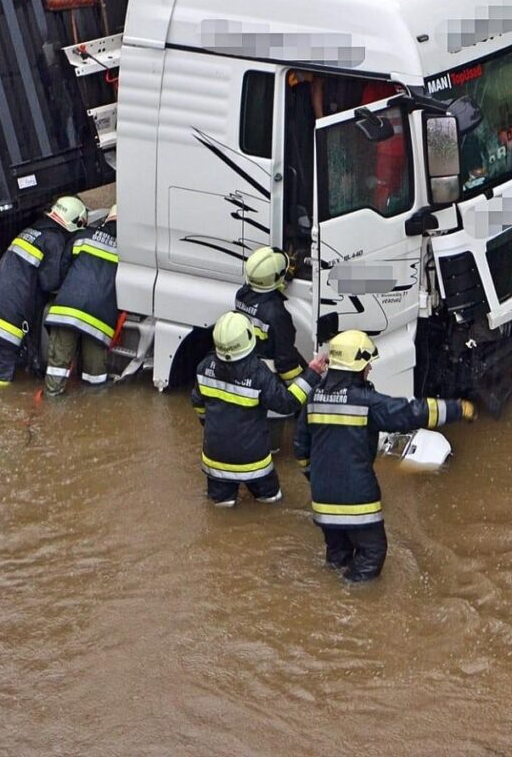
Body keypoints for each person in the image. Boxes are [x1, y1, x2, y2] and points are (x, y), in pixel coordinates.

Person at [293, 330, 475, 582]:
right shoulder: (365, 402)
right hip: (357, 498)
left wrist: (314, 476)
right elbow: (409, 413)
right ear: (356, 366)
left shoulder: (313, 398)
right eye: (366, 364)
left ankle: (332, 593)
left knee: (338, 554)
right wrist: (455, 409)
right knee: (372, 552)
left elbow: (300, 446)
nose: (369, 369)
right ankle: (354, 601)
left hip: (322, 498)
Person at [192, 312, 326, 507]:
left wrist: (210, 426)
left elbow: (198, 405)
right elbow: (286, 403)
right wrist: (312, 374)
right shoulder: (258, 373)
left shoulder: (204, 367)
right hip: (254, 462)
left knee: (221, 510)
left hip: (215, 461)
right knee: (271, 504)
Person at [0, 196, 87, 388]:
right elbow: (49, 282)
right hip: (6, 320)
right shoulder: (54, 240)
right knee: (0, 381)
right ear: (76, 222)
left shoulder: (33, 231)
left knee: (8, 369)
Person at [43, 205, 119, 398]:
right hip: (98, 321)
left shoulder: (83, 235)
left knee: (57, 371)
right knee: (95, 382)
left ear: (107, 219)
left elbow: (62, 270)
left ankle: (51, 408)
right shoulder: (130, 248)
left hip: (67, 310)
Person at [236, 247, 304, 455]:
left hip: (245, 366)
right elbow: (286, 362)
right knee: (271, 440)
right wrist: (305, 385)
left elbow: (264, 293)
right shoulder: (277, 314)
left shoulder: (242, 294)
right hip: (271, 374)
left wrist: (285, 274)